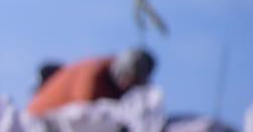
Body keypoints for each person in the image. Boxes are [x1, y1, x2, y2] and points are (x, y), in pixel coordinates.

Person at [27, 48, 156, 116]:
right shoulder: (93, 76)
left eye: (134, 83)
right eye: (129, 78)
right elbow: (86, 116)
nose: (128, 86)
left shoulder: (107, 78)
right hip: (41, 125)